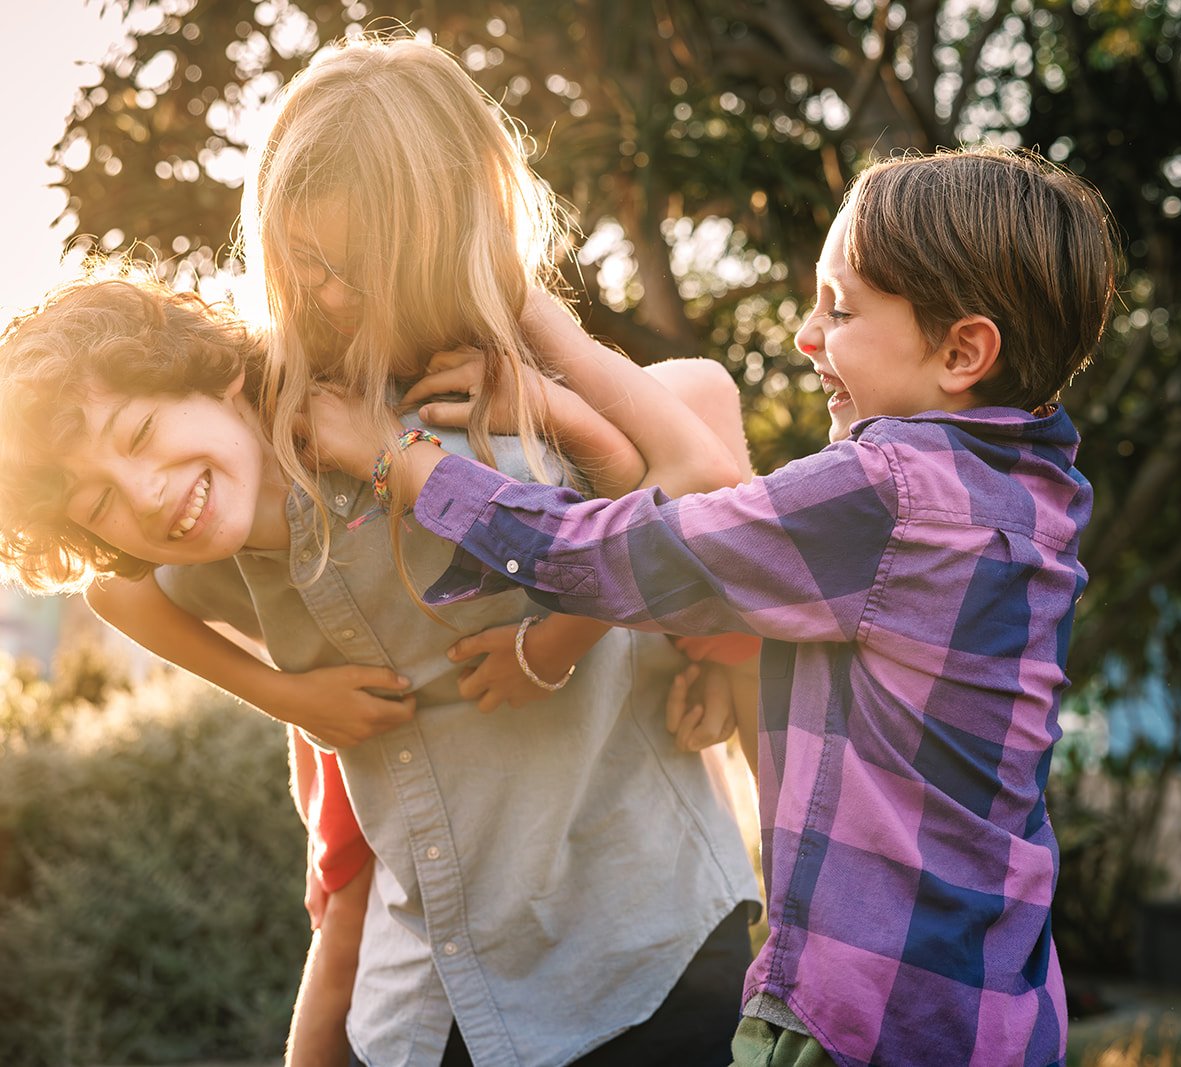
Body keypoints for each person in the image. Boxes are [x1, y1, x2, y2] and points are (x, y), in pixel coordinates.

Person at [0, 35, 758, 1067]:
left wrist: (589, 634)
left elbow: (691, 457)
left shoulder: (478, 381)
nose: (335, 301)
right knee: (345, 906)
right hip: (438, 960)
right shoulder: (234, 471)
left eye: (356, 269)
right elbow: (116, 589)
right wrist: (285, 695)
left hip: (635, 938)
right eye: (305, 270)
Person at [310, 145, 1119, 1067]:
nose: (808, 337)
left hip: (862, 1022)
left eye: (841, 310)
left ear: (964, 350)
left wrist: (402, 461)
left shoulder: (888, 495)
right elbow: (813, 612)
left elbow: (623, 555)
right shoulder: (1031, 494)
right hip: (992, 1010)